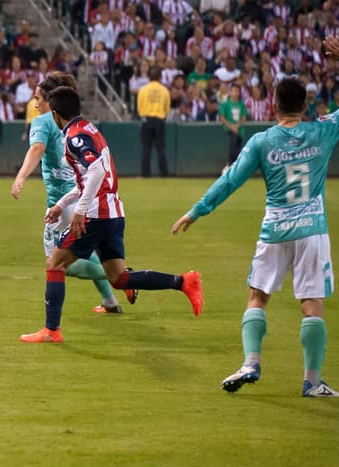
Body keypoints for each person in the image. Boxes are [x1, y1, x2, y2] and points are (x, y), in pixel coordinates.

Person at [171, 37, 339, 398]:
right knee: (311, 304)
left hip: (274, 229)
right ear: (305, 105)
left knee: (257, 297)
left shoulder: (262, 142)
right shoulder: (322, 131)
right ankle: (312, 382)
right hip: (311, 230)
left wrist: (197, 211)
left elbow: (230, 180)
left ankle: (251, 362)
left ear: (273, 106)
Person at [21, 87, 203, 343]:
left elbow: (96, 171)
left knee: (55, 264)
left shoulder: (74, 136)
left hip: (96, 215)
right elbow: (91, 176)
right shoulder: (89, 129)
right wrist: (62, 204)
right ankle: (184, 282)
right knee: (119, 278)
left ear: (55, 113)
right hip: (113, 213)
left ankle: (51, 331)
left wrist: (79, 211)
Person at [11, 73, 122, 313]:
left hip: (62, 204)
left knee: (56, 262)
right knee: (81, 250)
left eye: (38, 98)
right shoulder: (74, 121)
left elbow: (37, 148)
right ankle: (110, 300)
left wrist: (21, 176)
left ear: (50, 100)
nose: (35, 103)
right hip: (84, 196)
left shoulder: (42, 122)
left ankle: (121, 277)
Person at [137, 65, 170, 176]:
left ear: (149, 77)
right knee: (161, 149)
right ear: (160, 77)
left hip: (147, 120)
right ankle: (164, 173)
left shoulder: (143, 90)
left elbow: (139, 108)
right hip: (160, 120)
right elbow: (167, 109)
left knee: (146, 148)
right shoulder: (164, 90)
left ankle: (145, 174)